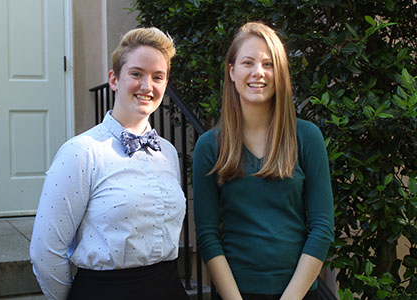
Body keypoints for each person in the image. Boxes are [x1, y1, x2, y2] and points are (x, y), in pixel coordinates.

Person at [30, 27, 190, 300]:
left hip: (169, 288)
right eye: (136, 74)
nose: (146, 86)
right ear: (114, 79)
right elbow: (46, 251)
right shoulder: (81, 152)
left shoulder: (167, 152)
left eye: (158, 77)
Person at [193, 22, 334, 300]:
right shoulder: (210, 146)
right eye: (248, 62)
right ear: (232, 71)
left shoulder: (307, 137)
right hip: (237, 293)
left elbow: (322, 228)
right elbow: (208, 235)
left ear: (279, 73)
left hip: (299, 292)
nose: (258, 72)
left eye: (269, 64)